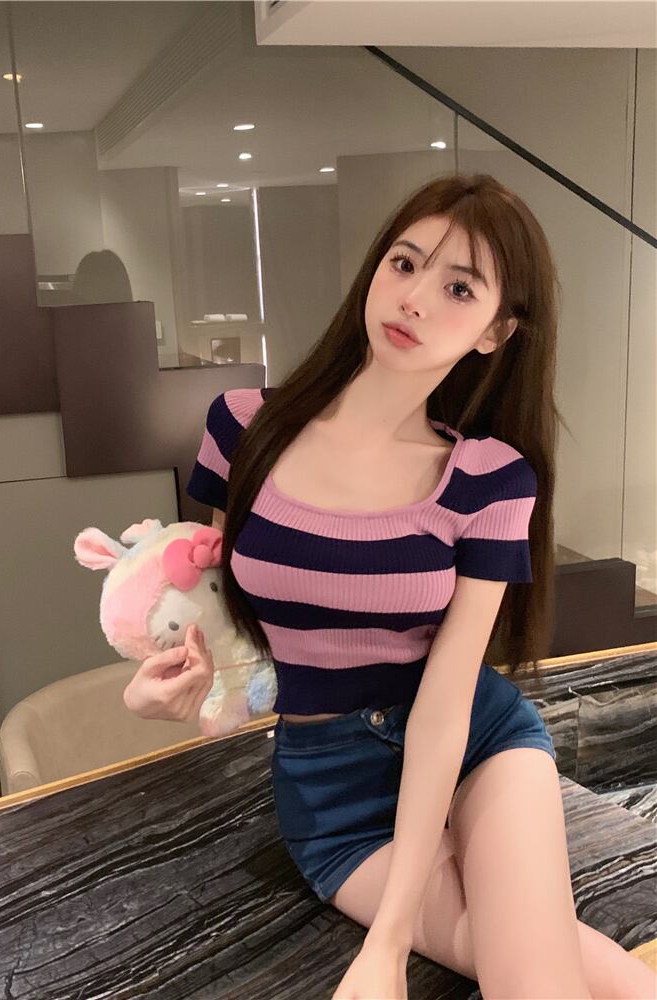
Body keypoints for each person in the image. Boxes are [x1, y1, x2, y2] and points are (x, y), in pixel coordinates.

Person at [125, 173, 656, 1000]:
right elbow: (218, 594)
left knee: (534, 982)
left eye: (459, 288)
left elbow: (445, 701)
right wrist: (168, 684)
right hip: (331, 788)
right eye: (405, 264)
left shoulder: (489, 480)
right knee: (561, 966)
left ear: (497, 330)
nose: (414, 298)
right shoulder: (243, 428)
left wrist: (389, 945)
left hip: (474, 744)